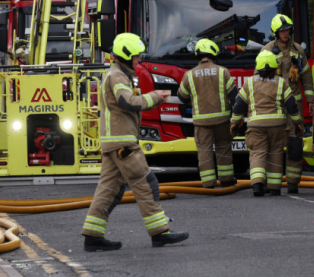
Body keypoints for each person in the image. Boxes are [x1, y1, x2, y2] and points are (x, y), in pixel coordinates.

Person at [82, 33, 189, 251]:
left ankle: (92, 237)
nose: (139, 60)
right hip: (123, 144)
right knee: (146, 183)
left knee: (108, 191)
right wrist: (156, 97)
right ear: (126, 55)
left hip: (114, 143)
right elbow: (126, 101)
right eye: (137, 57)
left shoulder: (117, 74)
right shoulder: (118, 76)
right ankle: (160, 233)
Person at [231, 51, 302, 196]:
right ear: (275, 67)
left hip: (256, 126)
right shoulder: (281, 83)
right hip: (278, 126)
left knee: (258, 153)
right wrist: (297, 123)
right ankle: (275, 187)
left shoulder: (250, 82)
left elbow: (238, 105)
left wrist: (234, 122)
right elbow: (291, 106)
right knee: (275, 153)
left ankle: (257, 185)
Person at [262, 14, 314, 194]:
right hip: (274, 106)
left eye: (287, 30)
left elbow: (307, 78)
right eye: (282, 31)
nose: (285, 33)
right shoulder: (267, 50)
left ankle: (292, 183)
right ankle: (273, 184)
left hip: (295, 106)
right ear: (276, 33)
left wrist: (311, 100)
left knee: (295, 144)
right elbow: (257, 80)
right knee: (274, 144)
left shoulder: (299, 50)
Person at [178, 38, 239, 188]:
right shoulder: (223, 72)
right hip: (222, 120)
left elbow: (181, 97)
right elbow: (234, 97)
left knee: (204, 150)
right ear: (212, 52)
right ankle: (226, 179)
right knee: (223, 147)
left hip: (201, 122)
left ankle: (208, 182)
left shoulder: (189, 75)